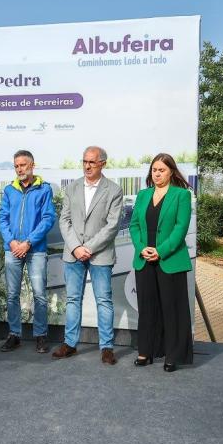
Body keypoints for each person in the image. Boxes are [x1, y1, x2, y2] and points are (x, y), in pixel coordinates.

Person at [52, 146, 124, 365]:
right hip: (73, 254)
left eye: (92, 162)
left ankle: (107, 348)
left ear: (102, 163)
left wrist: (89, 248)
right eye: (84, 161)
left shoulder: (113, 190)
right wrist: (75, 247)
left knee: (104, 301)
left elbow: (112, 226)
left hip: (100, 254)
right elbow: (64, 220)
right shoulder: (72, 187)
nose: (87, 166)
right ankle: (70, 344)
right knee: (73, 299)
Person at [129, 153, 193, 372]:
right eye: (154, 170)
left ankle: (172, 356)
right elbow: (134, 225)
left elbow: (180, 229)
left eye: (162, 170)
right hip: (144, 259)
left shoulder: (181, 195)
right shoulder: (143, 195)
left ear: (171, 172)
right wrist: (141, 248)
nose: (157, 174)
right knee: (146, 308)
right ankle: (145, 352)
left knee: (171, 309)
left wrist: (160, 251)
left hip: (170, 260)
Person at [0, 150, 56, 353]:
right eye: (16, 166)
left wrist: (28, 242)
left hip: (35, 249)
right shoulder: (9, 190)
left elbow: (48, 218)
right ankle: (14, 335)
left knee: (39, 295)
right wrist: (12, 242)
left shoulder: (44, 189)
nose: (20, 169)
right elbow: (2, 218)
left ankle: (40, 336)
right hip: (12, 249)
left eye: (23, 165)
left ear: (32, 165)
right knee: (12, 294)